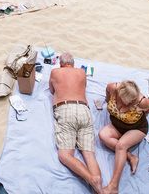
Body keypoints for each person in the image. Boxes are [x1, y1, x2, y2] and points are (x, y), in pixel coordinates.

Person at [49, 52, 103, 194]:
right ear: (73, 64)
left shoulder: (55, 72)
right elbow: (83, 87)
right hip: (84, 110)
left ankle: (91, 179)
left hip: (66, 110)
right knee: (89, 155)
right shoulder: (82, 72)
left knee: (65, 155)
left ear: (61, 64)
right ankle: (100, 188)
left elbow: (52, 90)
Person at [99, 81, 149, 194]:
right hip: (117, 125)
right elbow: (108, 93)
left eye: (131, 102)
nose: (128, 104)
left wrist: (144, 114)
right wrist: (107, 100)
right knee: (102, 135)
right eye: (126, 102)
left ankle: (114, 186)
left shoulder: (142, 101)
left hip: (136, 128)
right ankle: (131, 157)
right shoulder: (113, 88)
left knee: (121, 145)